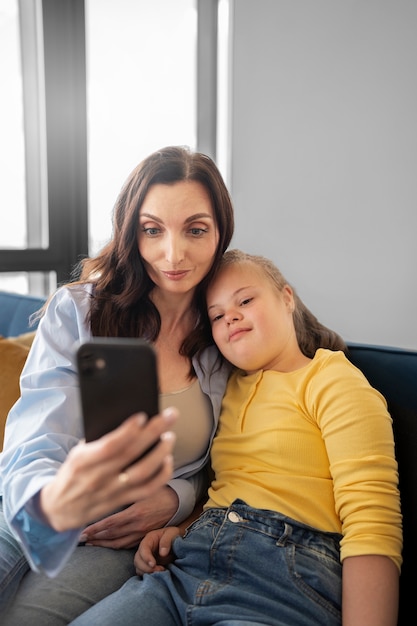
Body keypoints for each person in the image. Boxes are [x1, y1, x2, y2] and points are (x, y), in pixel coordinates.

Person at [70, 249, 402, 626]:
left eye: (245, 300)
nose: (231, 316)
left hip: (284, 579)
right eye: (216, 315)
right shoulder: (225, 391)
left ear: (286, 298)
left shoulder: (331, 379)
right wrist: (177, 530)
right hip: (186, 569)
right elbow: (230, 489)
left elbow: (372, 523)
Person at [0, 145, 234, 624]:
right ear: (133, 232)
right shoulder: (80, 310)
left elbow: (228, 461)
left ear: (220, 232)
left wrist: (176, 500)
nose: (173, 254)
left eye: (195, 229)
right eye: (153, 230)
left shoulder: (230, 333)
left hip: (115, 534)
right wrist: (53, 502)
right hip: (33, 501)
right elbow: (37, 435)